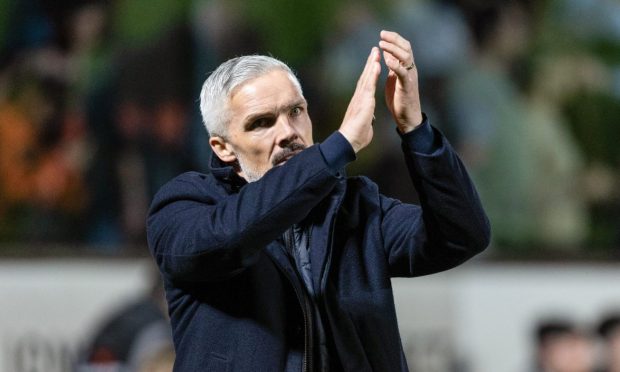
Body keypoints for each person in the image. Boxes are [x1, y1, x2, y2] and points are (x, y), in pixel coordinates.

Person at [147, 30, 490, 371]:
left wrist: (415, 129)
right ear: (223, 148)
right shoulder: (186, 204)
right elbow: (228, 238)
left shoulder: (355, 205)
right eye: (261, 123)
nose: (288, 133)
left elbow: (462, 234)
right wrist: (339, 147)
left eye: (295, 111)